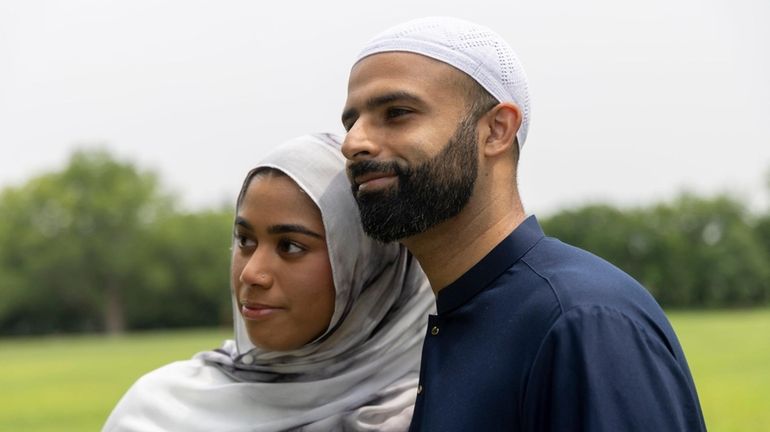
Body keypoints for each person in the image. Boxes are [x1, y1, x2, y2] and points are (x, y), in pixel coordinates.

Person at [340, 16, 707, 431]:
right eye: (351, 122)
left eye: (397, 112)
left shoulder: (582, 319)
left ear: (497, 130)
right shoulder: (456, 314)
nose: (354, 143)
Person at [103, 134, 434, 432]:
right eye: (245, 241)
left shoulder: (431, 413)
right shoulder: (159, 412)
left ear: (369, 270)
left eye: (290, 246)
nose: (251, 273)